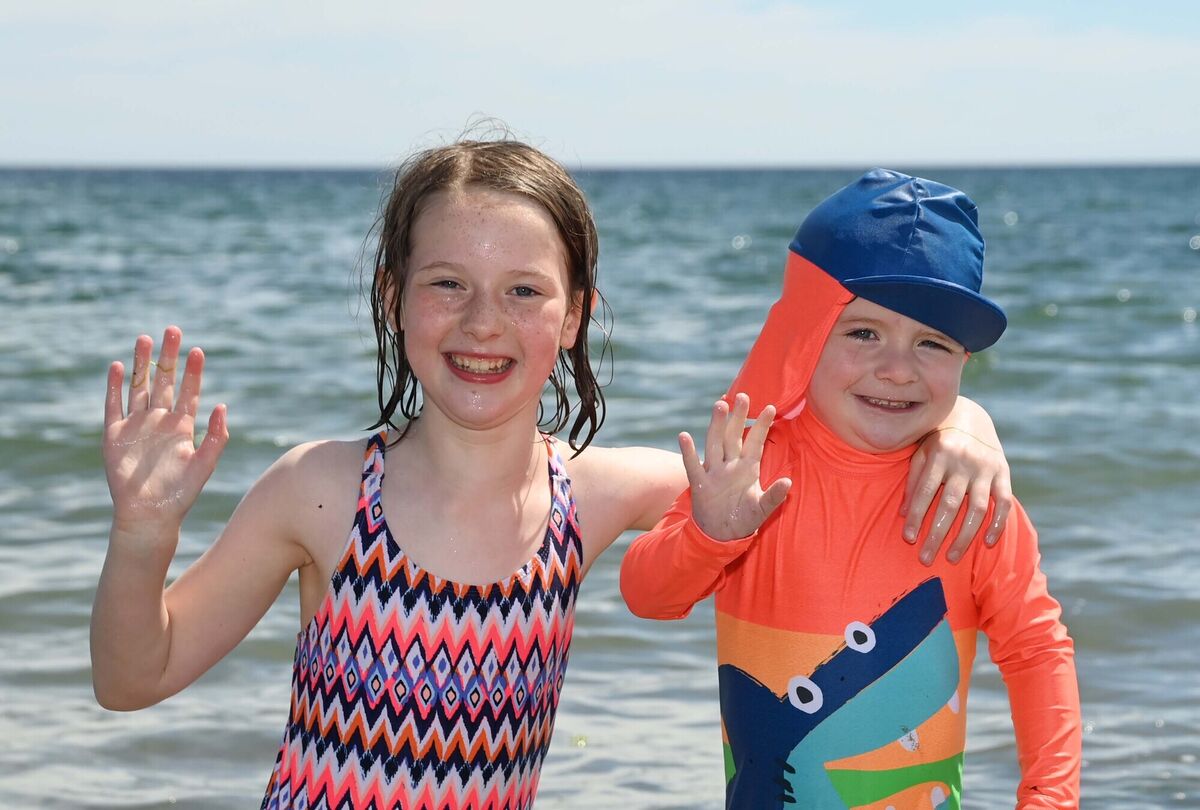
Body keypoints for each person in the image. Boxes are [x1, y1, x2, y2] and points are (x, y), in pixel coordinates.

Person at [92, 142, 1015, 810]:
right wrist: (143, 535)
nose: (483, 322)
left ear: (575, 315)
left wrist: (965, 424)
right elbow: (135, 679)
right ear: (393, 299)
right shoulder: (323, 492)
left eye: (525, 291)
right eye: (447, 283)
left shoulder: (602, 494)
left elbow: (818, 455)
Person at [620, 169, 1081, 809]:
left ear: (965, 363)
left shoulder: (966, 497)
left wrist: (1050, 800)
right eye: (863, 332)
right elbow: (647, 595)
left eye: (933, 343)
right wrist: (708, 537)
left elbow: (1036, 651)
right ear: (805, 335)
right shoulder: (755, 468)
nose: (897, 369)